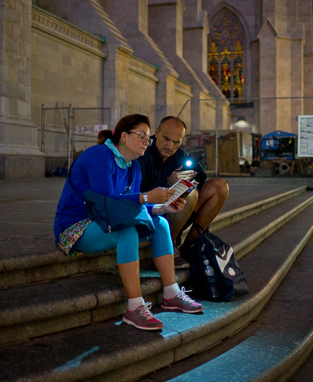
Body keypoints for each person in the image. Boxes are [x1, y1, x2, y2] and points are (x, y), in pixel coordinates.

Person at [54, 114, 203, 331]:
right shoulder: (99, 156)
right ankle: (134, 308)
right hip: (78, 225)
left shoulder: (133, 166)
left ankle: (171, 293)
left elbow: (130, 206)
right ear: (124, 136)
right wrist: (147, 197)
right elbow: (104, 201)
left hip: (106, 221)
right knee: (127, 233)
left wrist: (161, 207)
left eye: (147, 138)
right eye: (142, 136)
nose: (146, 141)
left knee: (161, 223)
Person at [137, 116, 229, 268]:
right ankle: (167, 248)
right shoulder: (143, 151)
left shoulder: (179, 155)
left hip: (175, 211)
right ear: (157, 132)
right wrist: (169, 183)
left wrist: (188, 177)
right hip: (148, 211)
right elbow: (138, 191)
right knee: (189, 193)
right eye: (166, 139)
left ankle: (192, 245)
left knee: (219, 186)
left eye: (176, 142)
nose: (170, 146)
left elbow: (201, 175)